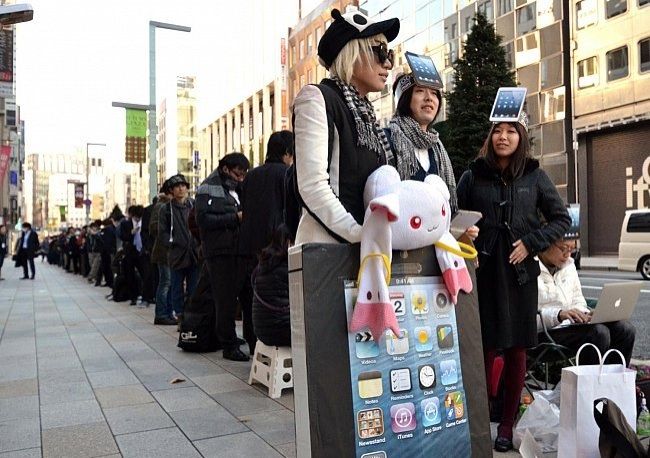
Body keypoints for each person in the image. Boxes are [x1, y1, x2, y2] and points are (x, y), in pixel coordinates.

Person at [457, 112, 571, 452]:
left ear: (521, 136)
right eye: (497, 130)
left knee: (517, 350)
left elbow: (561, 218)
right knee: (483, 348)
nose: (503, 137)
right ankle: (479, 420)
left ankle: (507, 424)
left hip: (520, 276)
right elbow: (452, 217)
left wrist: (531, 242)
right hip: (483, 271)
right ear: (490, 136)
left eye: (511, 131)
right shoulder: (472, 176)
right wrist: (465, 236)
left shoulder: (534, 176)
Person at [292, 8, 399, 245]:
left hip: (366, 251)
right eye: (381, 52)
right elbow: (312, 187)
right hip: (330, 250)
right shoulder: (316, 97)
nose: (388, 63)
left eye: (390, 54)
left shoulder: (366, 113)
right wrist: (360, 235)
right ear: (352, 51)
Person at [537, 237, 636, 365]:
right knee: (599, 333)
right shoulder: (530, 269)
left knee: (626, 329)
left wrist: (584, 314)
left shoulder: (569, 266)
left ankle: (613, 377)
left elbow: (578, 299)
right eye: (563, 249)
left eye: (572, 250)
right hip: (544, 333)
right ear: (546, 244)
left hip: (571, 327)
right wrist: (559, 315)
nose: (567, 255)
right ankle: (591, 378)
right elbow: (525, 318)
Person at [196, 153, 251, 361]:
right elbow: (203, 220)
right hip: (219, 252)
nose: (241, 178)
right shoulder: (208, 187)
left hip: (240, 250)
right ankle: (228, 345)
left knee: (246, 295)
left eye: (244, 174)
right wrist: (235, 218)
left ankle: (248, 339)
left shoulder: (239, 188)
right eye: (238, 173)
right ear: (226, 169)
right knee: (225, 299)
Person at [159, 174, 198, 328]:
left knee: (194, 288)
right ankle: (180, 316)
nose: (181, 189)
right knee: (176, 288)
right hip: (176, 254)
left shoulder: (194, 205)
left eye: (183, 186)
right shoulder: (166, 209)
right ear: (172, 190)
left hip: (194, 253)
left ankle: (191, 316)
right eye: (177, 187)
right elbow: (162, 232)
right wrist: (172, 243)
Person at [252, 225, 291, 348]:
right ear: (288, 242)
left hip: (261, 331)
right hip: (279, 331)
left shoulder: (265, 262)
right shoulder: (286, 267)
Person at [150, 183, 175, 325]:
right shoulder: (161, 206)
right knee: (165, 282)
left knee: (171, 283)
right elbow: (153, 227)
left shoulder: (173, 205)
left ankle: (168, 313)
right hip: (163, 251)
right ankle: (161, 314)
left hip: (172, 251)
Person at [119, 205, 145, 306]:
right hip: (130, 251)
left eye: (139, 217)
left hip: (142, 251)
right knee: (130, 275)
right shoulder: (125, 224)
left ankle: (145, 295)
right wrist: (131, 232)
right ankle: (133, 296)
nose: (138, 219)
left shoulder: (144, 222)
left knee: (145, 273)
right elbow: (122, 236)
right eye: (136, 217)